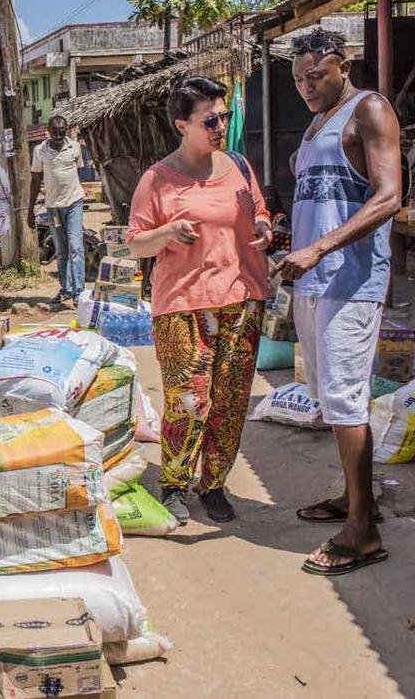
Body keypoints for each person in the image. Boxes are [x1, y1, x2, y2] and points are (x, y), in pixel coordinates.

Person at [273, 27, 401, 577]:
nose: (305, 86)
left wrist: (320, 246)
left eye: (315, 76)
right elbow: (318, 201)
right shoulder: (315, 124)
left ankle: (362, 533)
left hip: (349, 282)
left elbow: (391, 194)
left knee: (347, 401)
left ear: (342, 64)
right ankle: (357, 502)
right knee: (329, 397)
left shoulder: (368, 109)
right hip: (311, 282)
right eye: (298, 78)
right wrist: (283, 237)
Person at [126, 76, 272, 525]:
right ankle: (173, 481)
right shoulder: (158, 179)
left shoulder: (240, 168)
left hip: (242, 300)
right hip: (183, 306)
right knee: (189, 401)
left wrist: (266, 228)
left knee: (229, 402)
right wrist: (167, 232)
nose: (221, 126)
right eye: (210, 119)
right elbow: (134, 244)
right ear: (180, 125)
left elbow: (259, 212)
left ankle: (212, 484)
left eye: (224, 117)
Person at [28, 115, 86, 306]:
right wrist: (30, 209)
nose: (59, 137)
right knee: (61, 251)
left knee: (76, 246)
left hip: (74, 203)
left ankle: (79, 293)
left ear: (67, 131)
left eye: (62, 133)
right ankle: (66, 290)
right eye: (55, 133)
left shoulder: (75, 147)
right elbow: (35, 180)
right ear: (48, 131)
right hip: (53, 207)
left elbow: (75, 172)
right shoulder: (40, 151)